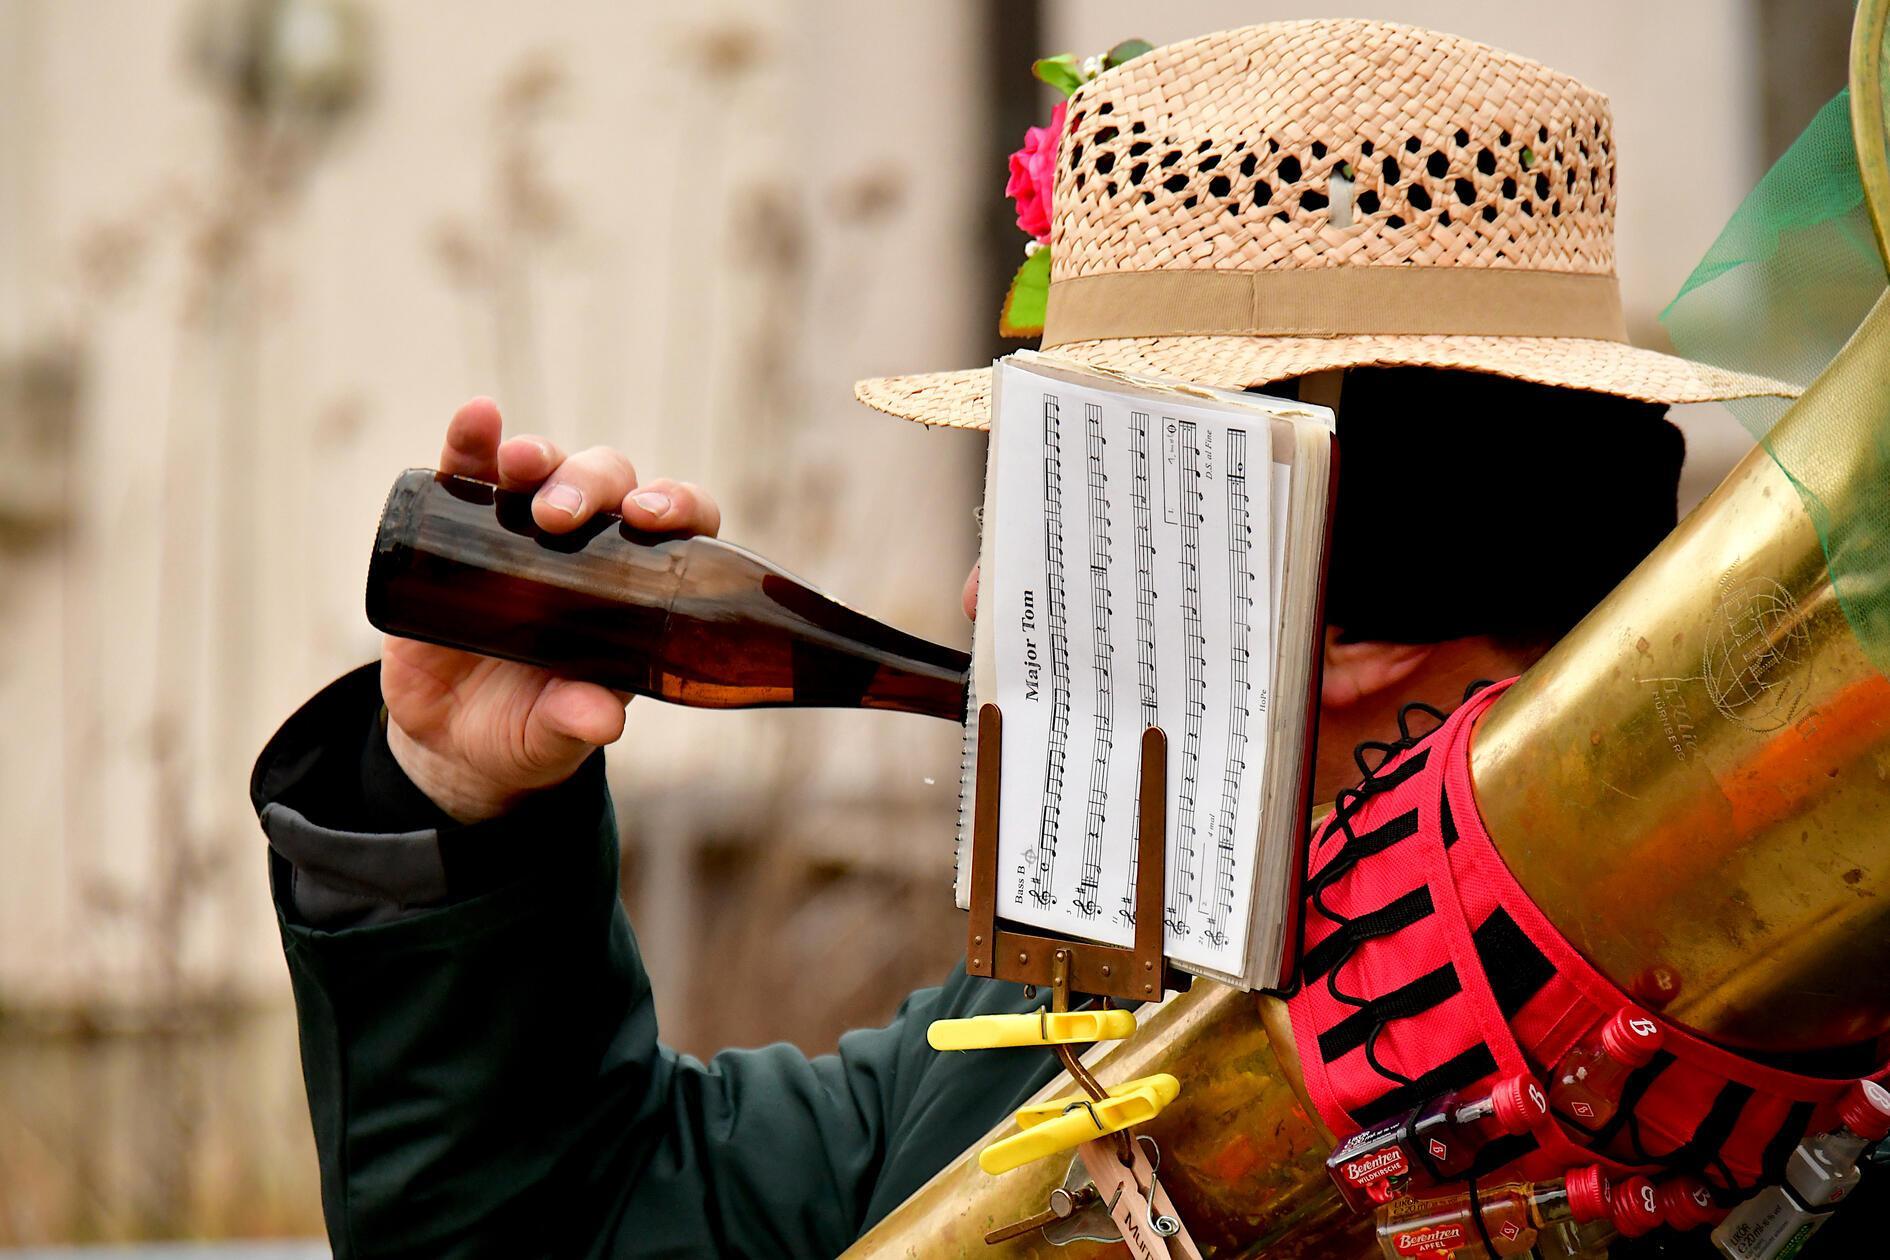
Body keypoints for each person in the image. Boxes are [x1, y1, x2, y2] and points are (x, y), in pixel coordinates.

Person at [252, 21, 1794, 1259]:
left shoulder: (1801, 1027)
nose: (986, 605)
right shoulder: (1066, 1019)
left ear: (1345, 618)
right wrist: (458, 803)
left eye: (1070, 525)